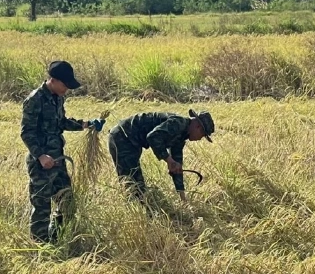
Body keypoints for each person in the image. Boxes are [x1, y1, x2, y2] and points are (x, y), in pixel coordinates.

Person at [21, 60, 102, 244]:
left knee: (67, 202)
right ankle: (39, 247)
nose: (67, 89)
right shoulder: (34, 100)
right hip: (40, 163)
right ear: (54, 80)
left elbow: (61, 122)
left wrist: (86, 124)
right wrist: (41, 156)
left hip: (58, 159)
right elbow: (26, 132)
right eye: (65, 85)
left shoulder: (58, 97)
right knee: (42, 208)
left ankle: (54, 239)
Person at [107, 109, 215, 203]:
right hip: (123, 137)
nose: (200, 138)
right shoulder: (178, 123)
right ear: (198, 127)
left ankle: (139, 210)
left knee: (135, 186)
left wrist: (183, 198)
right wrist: (169, 160)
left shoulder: (181, 136)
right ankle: (136, 216)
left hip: (130, 142)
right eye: (203, 135)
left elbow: (177, 167)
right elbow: (153, 137)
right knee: (134, 186)